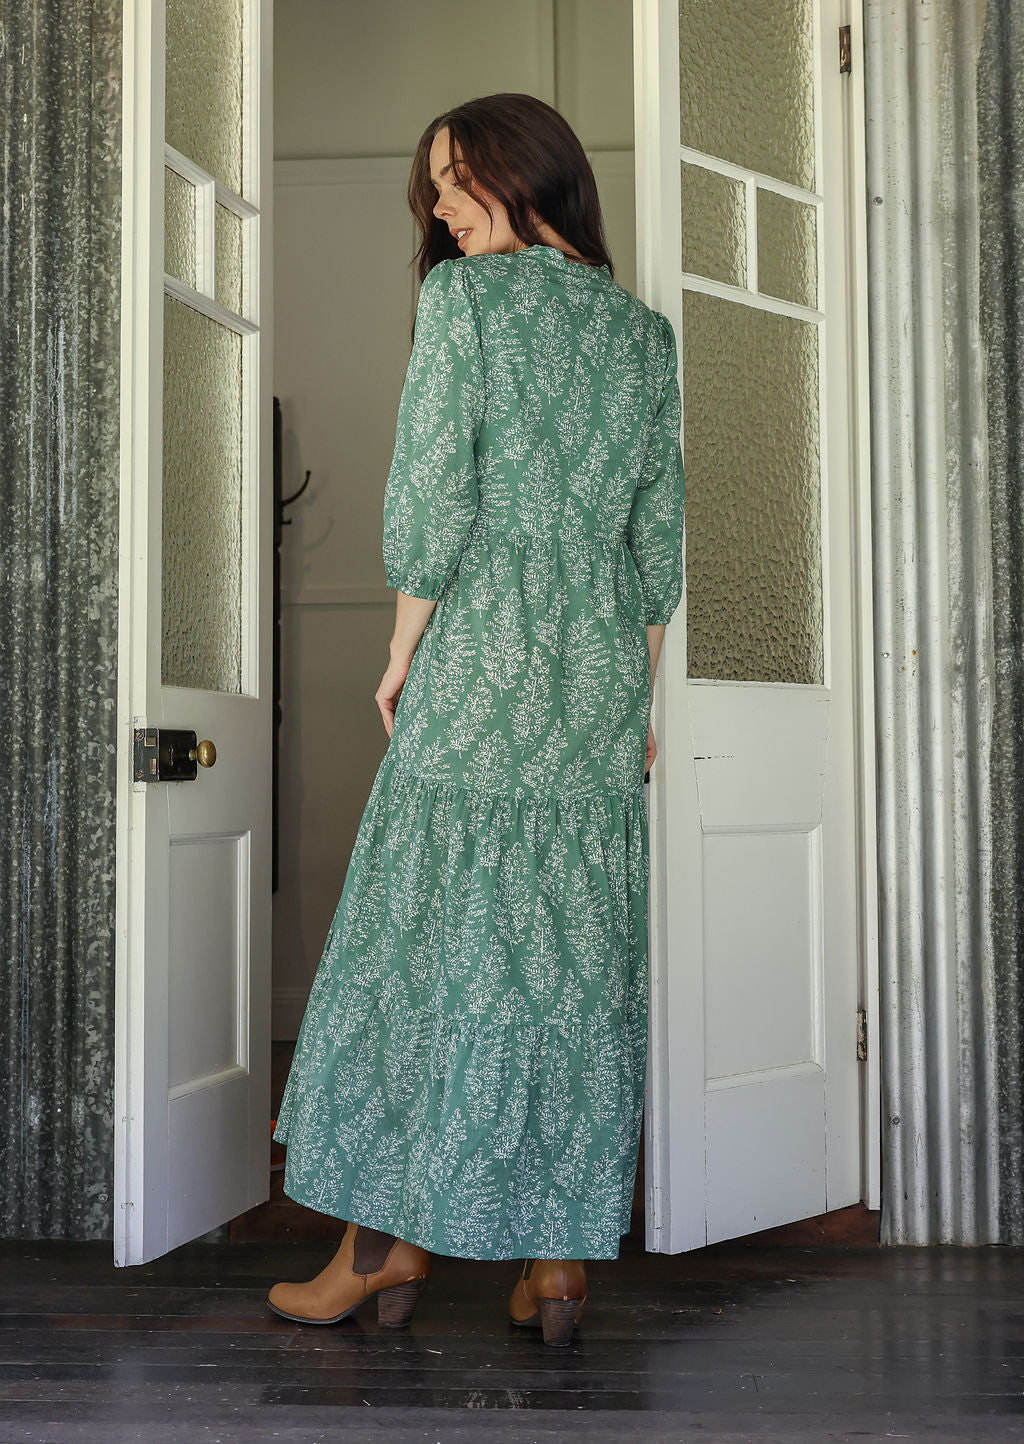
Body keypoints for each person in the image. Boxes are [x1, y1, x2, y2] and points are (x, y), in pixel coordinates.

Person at [267, 92, 684, 1348]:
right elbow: (653, 549)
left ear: (528, 174)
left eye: (458, 180)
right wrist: (637, 698)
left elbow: (433, 502)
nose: (439, 205)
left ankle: (381, 1248)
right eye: (431, 186)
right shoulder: (643, 336)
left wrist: (401, 651)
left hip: (485, 667)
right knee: (566, 966)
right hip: (597, 682)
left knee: (424, 949)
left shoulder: (463, 308)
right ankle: (556, 1261)